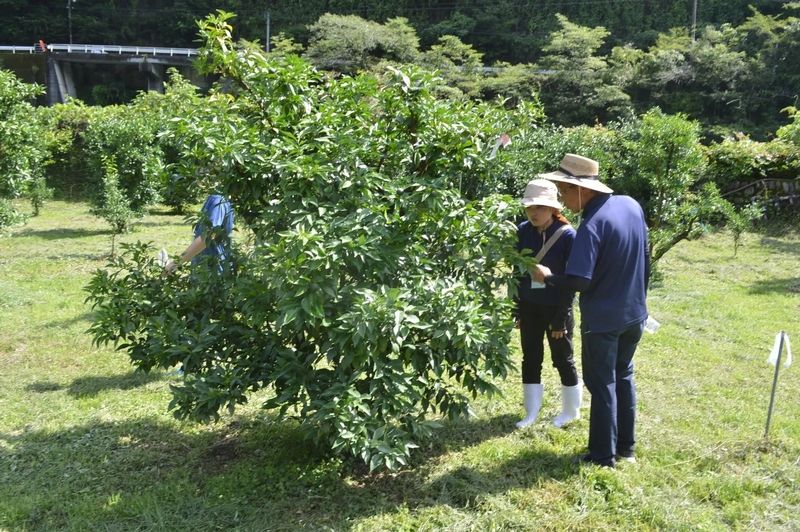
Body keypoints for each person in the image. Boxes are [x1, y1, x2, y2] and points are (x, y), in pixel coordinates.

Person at [532, 154, 650, 468]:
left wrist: (548, 277)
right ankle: (625, 448)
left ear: (583, 189)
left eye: (565, 190)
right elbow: (643, 256)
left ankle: (601, 457)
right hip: (634, 313)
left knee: (602, 384)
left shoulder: (591, 225)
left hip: (603, 320)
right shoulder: (630, 205)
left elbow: (580, 281)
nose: (562, 198)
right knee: (623, 376)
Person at [514, 179, 582, 429]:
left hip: (556, 307)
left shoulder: (568, 236)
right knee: (530, 357)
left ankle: (570, 411)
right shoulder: (522, 231)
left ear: (553, 208)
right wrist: (517, 308)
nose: (534, 212)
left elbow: (572, 281)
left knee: (563, 359)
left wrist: (561, 318)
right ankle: (531, 412)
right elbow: (517, 272)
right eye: (530, 207)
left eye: (540, 207)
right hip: (530, 306)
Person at [165, 194, 234, 273]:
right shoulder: (218, 198)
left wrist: (174, 264)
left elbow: (208, 236)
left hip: (210, 272)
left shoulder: (217, 200)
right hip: (209, 269)